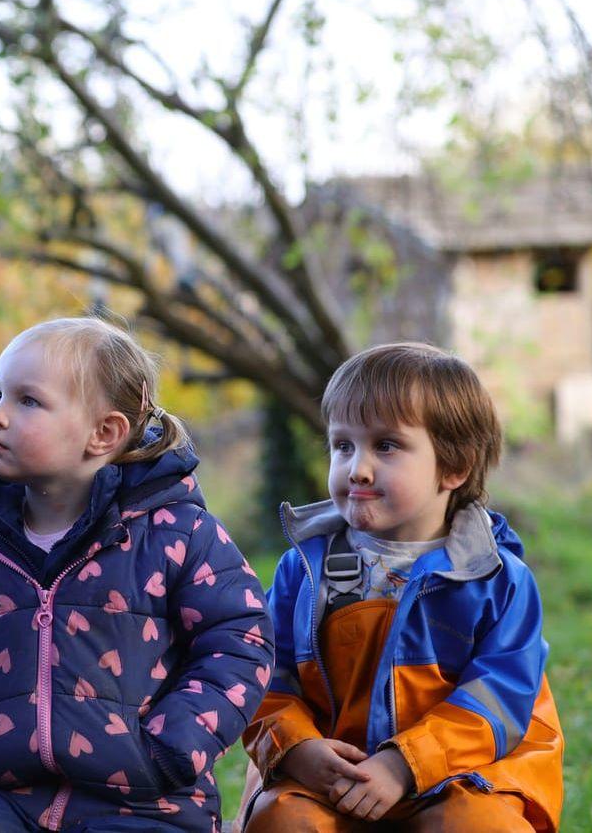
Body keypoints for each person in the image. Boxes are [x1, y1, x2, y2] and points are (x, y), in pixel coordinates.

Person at [0, 318, 275, 832]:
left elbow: (239, 640)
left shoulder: (178, 534)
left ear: (104, 433)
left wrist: (169, 750)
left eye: (27, 401)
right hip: (1, 796)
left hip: (146, 802)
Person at [236, 342, 564, 832]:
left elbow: (503, 697)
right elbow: (263, 677)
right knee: (283, 819)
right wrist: (298, 748)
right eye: (343, 445)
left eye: (386, 445)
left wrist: (403, 765)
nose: (357, 468)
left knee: (480, 826)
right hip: (334, 783)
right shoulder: (302, 570)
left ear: (454, 466)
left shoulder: (499, 581)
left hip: (465, 778)